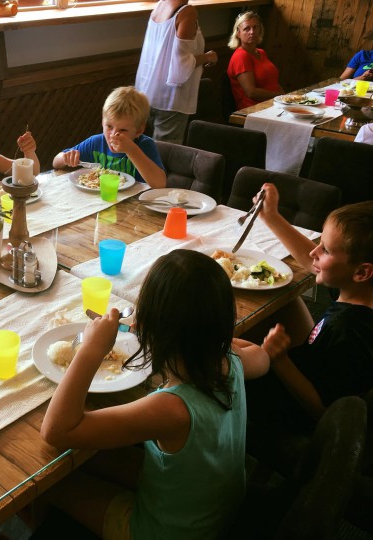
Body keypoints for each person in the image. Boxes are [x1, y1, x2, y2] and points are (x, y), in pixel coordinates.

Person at [40, 250, 269, 539]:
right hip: (214, 504)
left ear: (150, 327)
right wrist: (205, 338)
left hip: (170, 532)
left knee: (56, 486)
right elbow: (262, 356)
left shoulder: (171, 409)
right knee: (99, 460)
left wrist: (90, 349)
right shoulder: (231, 362)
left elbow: (56, 430)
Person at [244, 184, 373, 471]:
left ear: (362, 271)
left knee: (226, 361)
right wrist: (271, 216)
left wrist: (280, 360)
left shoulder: (350, 331)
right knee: (281, 303)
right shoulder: (358, 292)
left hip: (292, 411)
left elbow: (323, 410)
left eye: (325, 249)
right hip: (313, 362)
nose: (314, 252)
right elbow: (312, 259)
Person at [134, 0, 218, 144]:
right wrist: (207, 57)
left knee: (150, 149)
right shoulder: (187, 12)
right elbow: (181, 65)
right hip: (171, 98)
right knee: (166, 153)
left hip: (148, 91)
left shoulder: (161, 5)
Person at [52, 86, 167, 188]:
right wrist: (66, 158)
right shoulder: (96, 143)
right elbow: (56, 162)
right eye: (109, 126)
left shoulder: (145, 145)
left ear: (139, 130)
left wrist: (131, 150)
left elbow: (160, 184)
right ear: (102, 122)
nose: (113, 134)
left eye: (123, 130)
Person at [227, 11, 284, 110]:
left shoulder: (261, 52)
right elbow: (251, 92)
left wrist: (286, 97)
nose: (252, 32)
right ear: (238, 33)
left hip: (275, 104)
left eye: (255, 27)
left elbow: (274, 82)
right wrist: (280, 97)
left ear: (260, 30)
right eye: (247, 29)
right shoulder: (241, 56)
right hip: (253, 109)